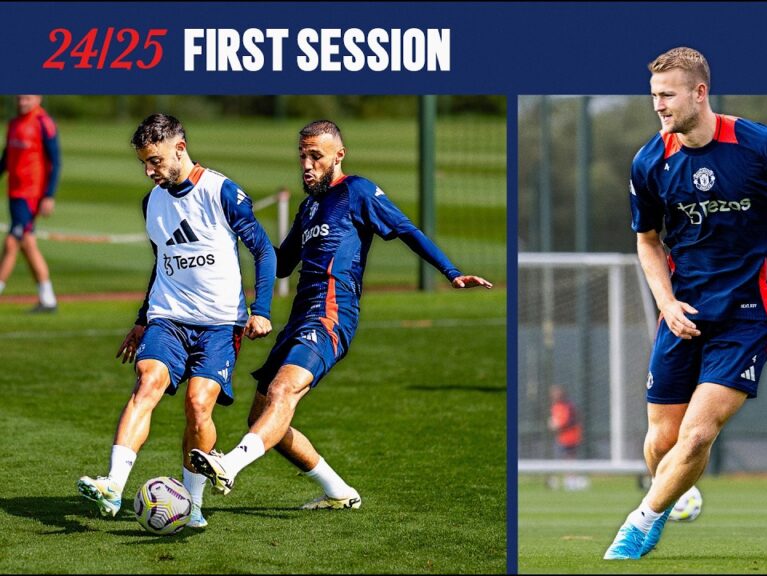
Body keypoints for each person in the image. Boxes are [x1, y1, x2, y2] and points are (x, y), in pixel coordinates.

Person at [603, 46, 767, 560]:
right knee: (662, 443)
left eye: (667, 96)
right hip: (683, 313)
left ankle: (636, 528)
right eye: (654, 97)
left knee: (697, 432)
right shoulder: (649, 162)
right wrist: (665, 303)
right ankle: (673, 489)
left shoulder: (764, 147)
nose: (659, 106)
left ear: (699, 93)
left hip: (748, 316)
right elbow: (647, 241)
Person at [188, 120, 492, 509]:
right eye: (302, 156)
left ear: (338, 155)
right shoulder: (309, 206)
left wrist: (451, 272)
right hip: (299, 319)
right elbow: (280, 264)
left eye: (316, 156)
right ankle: (339, 492)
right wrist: (236, 235)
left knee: (284, 391)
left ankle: (228, 465)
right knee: (262, 419)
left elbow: (405, 230)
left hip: (331, 314)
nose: (307, 164)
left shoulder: (357, 191)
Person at [76, 113, 276, 528]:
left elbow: (264, 250)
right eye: (143, 164)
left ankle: (195, 503)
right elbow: (161, 264)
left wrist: (263, 311)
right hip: (168, 317)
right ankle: (112, 485)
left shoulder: (222, 191)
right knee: (148, 381)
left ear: (179, 149)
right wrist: (141, 319)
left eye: (154, 161)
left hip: (221, 323)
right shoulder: (152, 203)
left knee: (198, 406)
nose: (149, 171)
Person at [0, 95, 60, 312]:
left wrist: (49, 195)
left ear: (38, 98)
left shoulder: (44, 123)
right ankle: (48, 299)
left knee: (11, 242)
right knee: (27, 244)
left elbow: (55, 161)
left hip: (31, 194)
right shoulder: (14, 123)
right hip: (14, 192)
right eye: (19, 97)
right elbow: (7, 157)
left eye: (27, 97)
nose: (22, 101)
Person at [547, 385, 587, 491]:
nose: (554, 396)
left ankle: (570, 480)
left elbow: (570, 421)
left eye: (556, 393)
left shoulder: (568, 406)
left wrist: (558, 425)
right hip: (561, 438)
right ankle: (556, 480)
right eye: (553, 394)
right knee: (561, 459)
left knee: (570, 459)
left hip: (571, 437)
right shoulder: (555, 407)